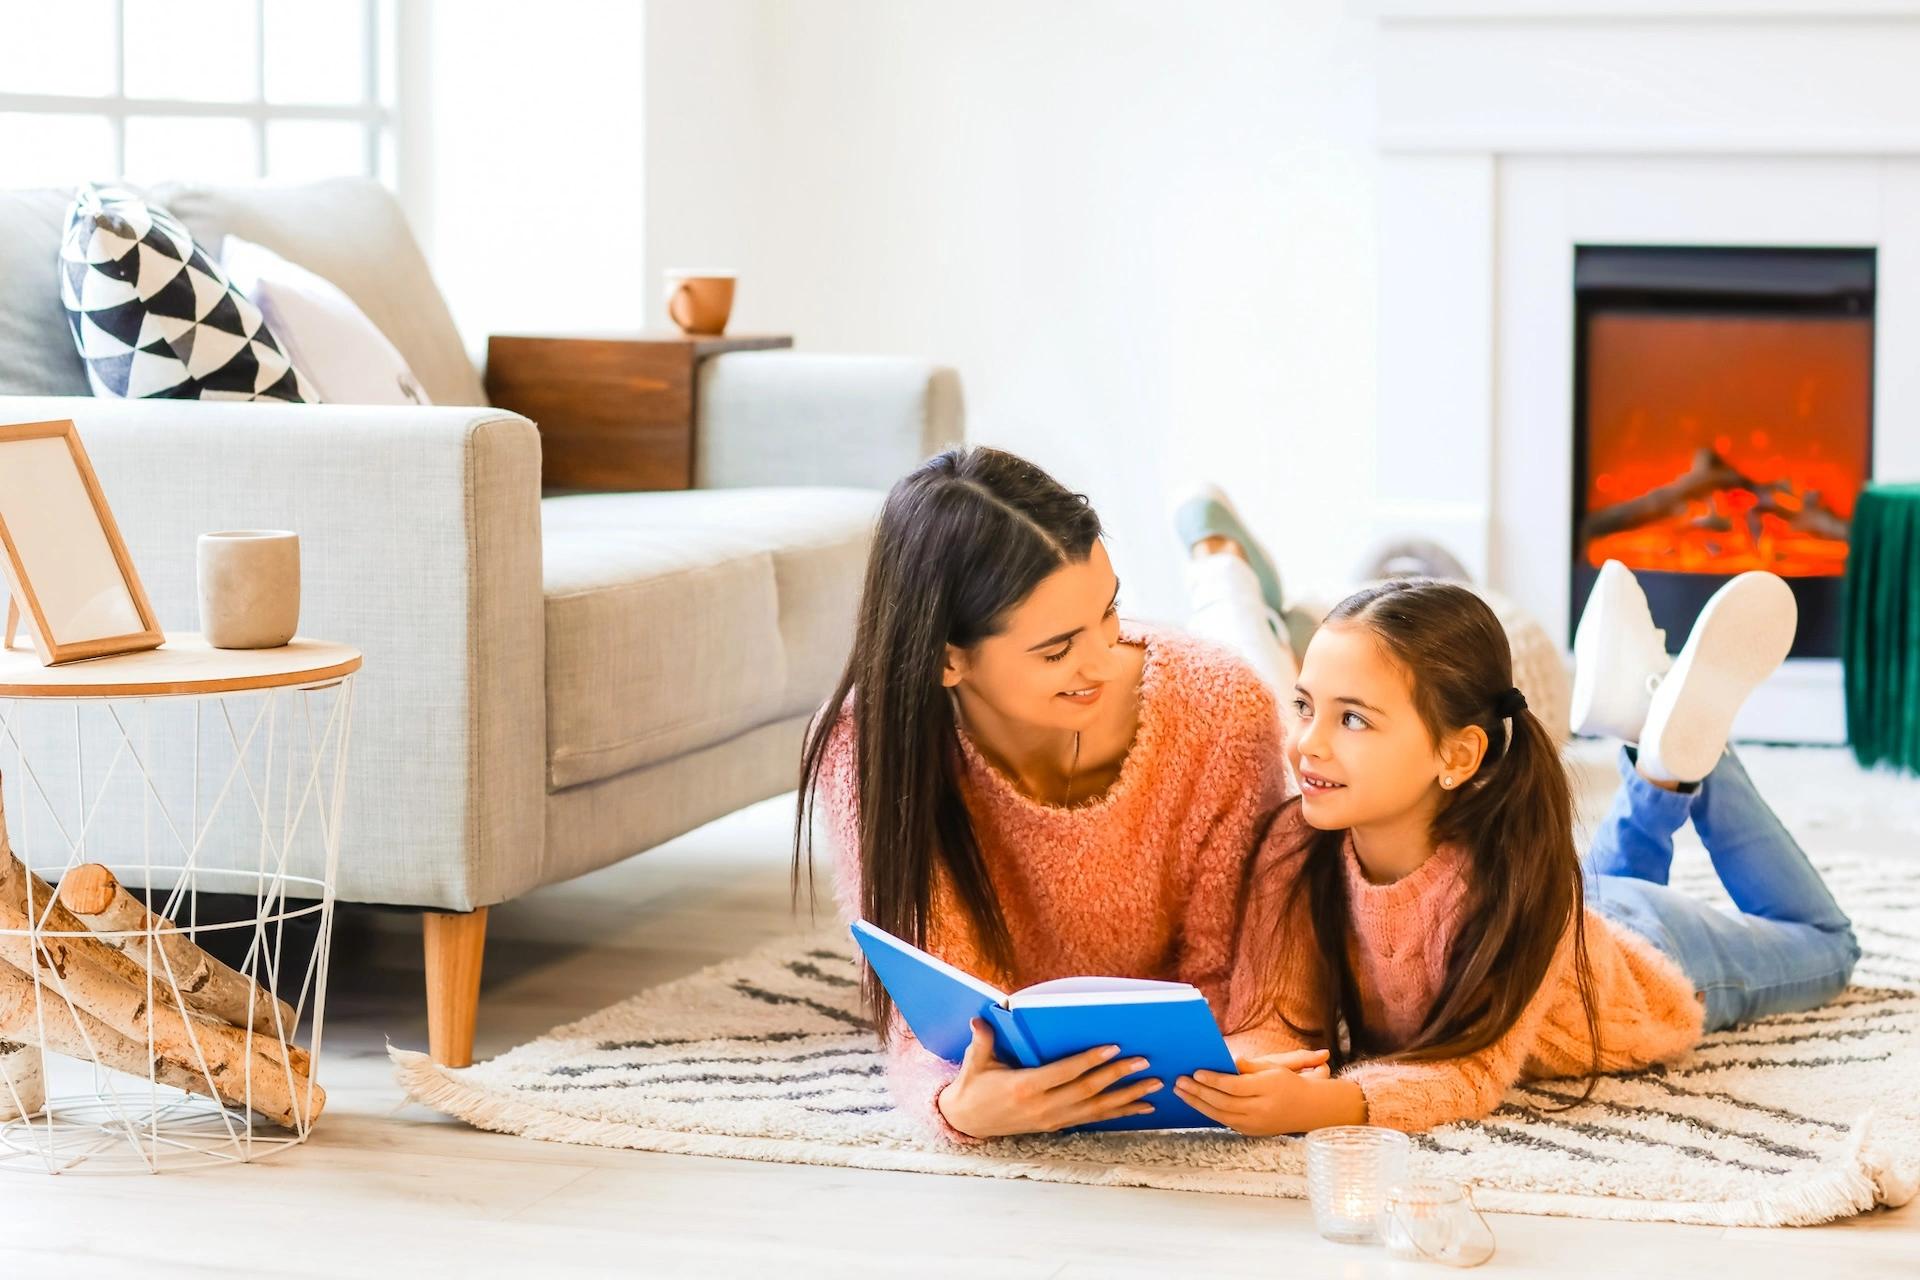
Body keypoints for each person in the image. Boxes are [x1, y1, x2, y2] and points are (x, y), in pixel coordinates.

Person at [1163, 520, 1859, 1134]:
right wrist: (1242, 1076)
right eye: (1305, 705)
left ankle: (1693, 750)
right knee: (1601, 893)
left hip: (1656, 962)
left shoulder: (1509, 882)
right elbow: (1273, 1021)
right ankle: (1658, 753)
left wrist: (1330, 1106)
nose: (1306, 743)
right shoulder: (1297, 841)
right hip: (1586, 916)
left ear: (1457, 755)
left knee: (1829, 944)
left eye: (1352, 719)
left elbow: (1466, 1076)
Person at [794, 447, 1315, 1142]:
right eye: (1057, 647)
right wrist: (957, 1104)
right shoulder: (865, 742)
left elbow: (1231, 974)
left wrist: (1243, 1060)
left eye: (1110, 611)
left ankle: (1223, 562)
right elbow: (927, 1008)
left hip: (1248, 697)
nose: (1101, 655)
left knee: (1277, 673)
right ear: (946, 657)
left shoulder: (1222, 709)